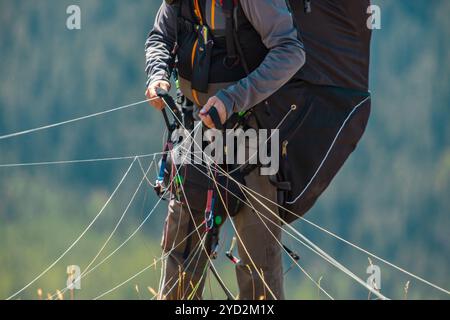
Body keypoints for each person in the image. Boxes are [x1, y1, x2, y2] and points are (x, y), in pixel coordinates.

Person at [145, 0, 305, 300]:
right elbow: (160, 36)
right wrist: (157, 75)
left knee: (258, 270)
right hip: (195, 131)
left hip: (253, 140)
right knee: (181, 261)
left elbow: (290, 51)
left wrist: (233, 99)